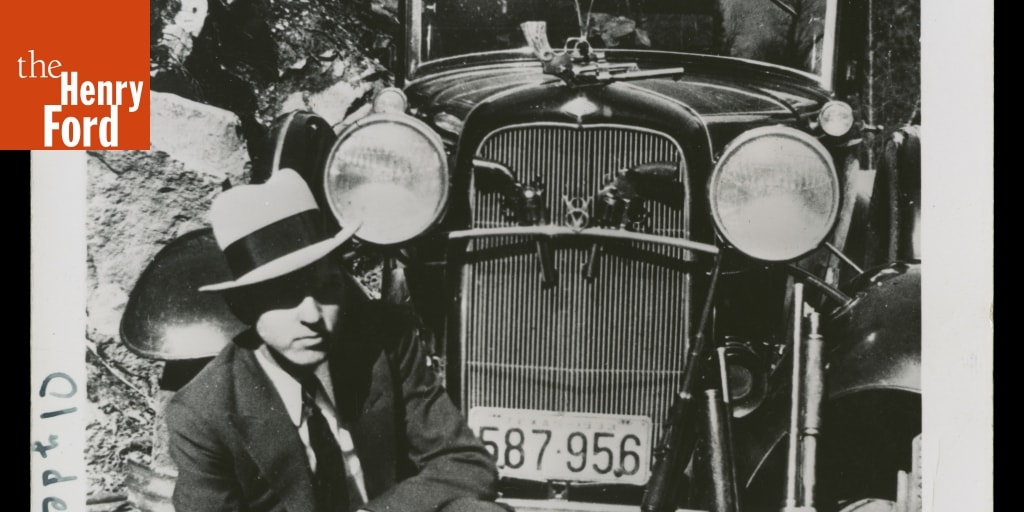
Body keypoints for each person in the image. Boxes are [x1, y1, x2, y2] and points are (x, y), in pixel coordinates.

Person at [166, 168, 507, 512]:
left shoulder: (383, 341)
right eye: (286, 295)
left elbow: (465, 463)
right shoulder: (203, 415)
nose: (313, 316)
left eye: (325, 287)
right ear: (243, 306)